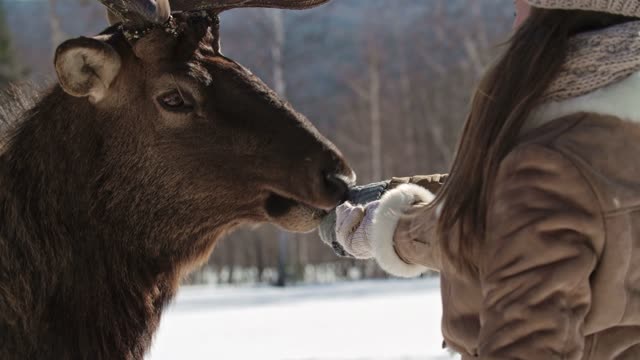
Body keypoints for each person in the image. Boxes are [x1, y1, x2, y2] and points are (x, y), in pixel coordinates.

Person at [320, 1, 640, 359]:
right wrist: (392, 216)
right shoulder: (603, 142)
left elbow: (527, 342)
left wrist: (387, 228)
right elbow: (512, 222)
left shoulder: (554, 163)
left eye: (520, 9)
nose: (515, 22)